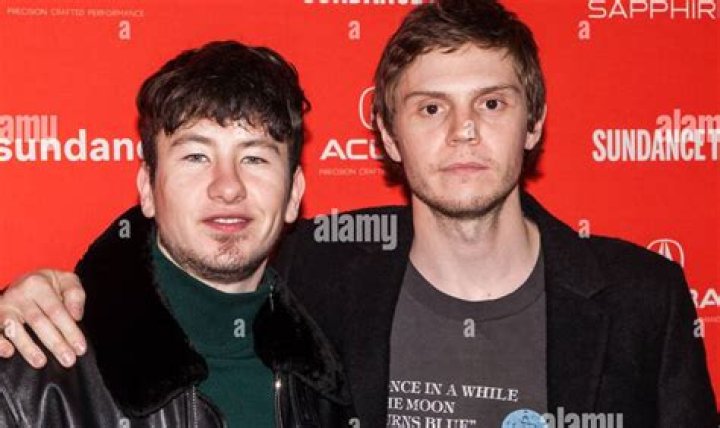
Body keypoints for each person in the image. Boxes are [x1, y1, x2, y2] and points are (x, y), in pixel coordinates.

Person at [1, 1, 717, 427]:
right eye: (430, 108)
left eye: (492, 103)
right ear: (386, 135)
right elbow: (186, 244)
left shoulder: (641, 298)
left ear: (534, 122)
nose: (463, 132)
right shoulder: (323, 273)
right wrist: (45, 293)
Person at [0, 40, 354, 427]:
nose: (228, 187)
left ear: (294, 194)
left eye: (254, 158)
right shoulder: (32, 373)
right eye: (196, 156)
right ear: (147, 189)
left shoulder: (335, 379)